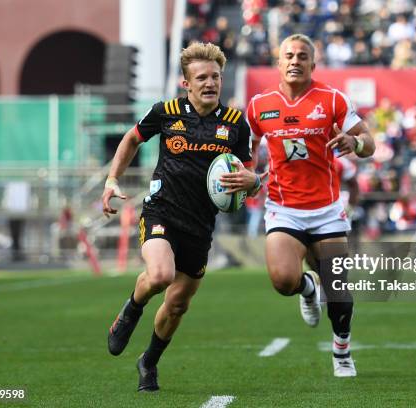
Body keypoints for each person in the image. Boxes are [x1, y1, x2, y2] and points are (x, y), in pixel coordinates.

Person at [102, 42, 258, 392]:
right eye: (201, 77)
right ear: (186, 83)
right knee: (159, 275)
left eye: (215, 76)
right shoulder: (166, 111)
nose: (210, 83)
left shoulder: (235, 123)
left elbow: (247, 176)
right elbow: (131, 139)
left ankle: (149, 362)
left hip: (200, 225)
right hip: (162, 211)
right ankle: (131, 309)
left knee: (177, 305)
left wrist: (254, 180)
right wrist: (112, 180)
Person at [246, 34, 375, 377]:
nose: (295, 61)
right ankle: (307, 287)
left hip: (327, 209)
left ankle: (342, 350)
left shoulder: (332, 99)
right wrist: (250, 179)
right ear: (278, 62)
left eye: (302, 56)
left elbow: (369, 144)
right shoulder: (259, 106)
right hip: (284, 208)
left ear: (313, 64)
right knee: (283, 281)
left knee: (339, 289)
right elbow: (248, 155)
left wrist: (355, 141)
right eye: (288, 55)